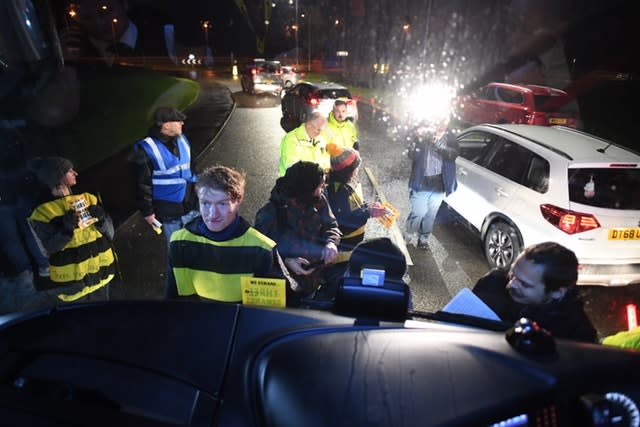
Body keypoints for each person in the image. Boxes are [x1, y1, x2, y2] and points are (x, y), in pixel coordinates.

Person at [165, 166, 285, 302]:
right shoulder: (178, 242)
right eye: (205, 203)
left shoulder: (263, 249)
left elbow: (264, 310)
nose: (212, 214)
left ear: (238, 200)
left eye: (222, 204)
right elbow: (172, 299)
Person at [28, 157, 116, 303]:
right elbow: (48, 248)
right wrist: (66, 229)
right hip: (74, 286)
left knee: (103, 319)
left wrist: (101, 219)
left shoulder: (88, 198)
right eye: (69, 171)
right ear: (58, 176)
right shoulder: (42, 213)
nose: (75, 173)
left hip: (102, 275)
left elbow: (110, 235)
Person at [473, 242, 598, 343]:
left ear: (557, 292)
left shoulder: (576, 335)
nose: (511, 284)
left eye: (525, 284)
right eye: (512, 274)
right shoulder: (491, 283)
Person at [255, 161, 341, 303]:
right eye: (320, 186)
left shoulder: (319, 200)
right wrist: (287, 262)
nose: (324, 188)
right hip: (284, 287)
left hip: (314, 279)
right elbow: (260, 256)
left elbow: (331, 225)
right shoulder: (269, 214)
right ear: (306, 189)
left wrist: (331, 242)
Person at [324, 143, 386, 292]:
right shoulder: (339, 191)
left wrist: (366, 207)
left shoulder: (341, 186)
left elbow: (351, 208)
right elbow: (344, 222)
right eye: (356, 167)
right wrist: (368, 212)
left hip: (345, 250)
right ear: (350, 171)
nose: (358, 170)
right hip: (342, 254)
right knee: (336, 285)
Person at [132, 106, 197, 246]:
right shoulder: (146, 148)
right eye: (178, 120)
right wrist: (148, 212)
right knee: (176, 250)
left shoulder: (183, 140)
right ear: (166, 125)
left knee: (198, 247)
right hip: (169, 211)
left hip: (191, 205)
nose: (182, 123)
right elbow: (142, 183)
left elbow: (192, 169)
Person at [404, 116, 459, 249]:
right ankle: (408, 235)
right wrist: (417, 139)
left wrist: (437, 143)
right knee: (419, 212)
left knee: (431, 214)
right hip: (422, 182)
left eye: (445, 120)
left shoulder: (450, 138)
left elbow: (452, 154)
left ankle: (423, 239)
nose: (442, 123)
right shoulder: (423, 134)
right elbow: (412, 155)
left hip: (440, 183)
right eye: (440, 119)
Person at [278, 112, 330, 176]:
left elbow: (325, 159)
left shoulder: (320, 138)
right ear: (309, 125)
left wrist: (327, 170)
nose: (320, 133)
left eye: (322, 130)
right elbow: (291, 168)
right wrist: (315, 174)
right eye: (318, 130)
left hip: (315, 181)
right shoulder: (291, 140)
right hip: (294, 183)